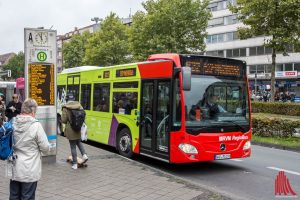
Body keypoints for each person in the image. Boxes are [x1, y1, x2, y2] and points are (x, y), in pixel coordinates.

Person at [10, 98, 50, 200]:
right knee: (27, 197)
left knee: (14, 196)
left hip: (14, 167)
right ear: (32, 111)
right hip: (29, 170)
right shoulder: (36, 125)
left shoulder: (12, 122)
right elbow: (45, 148)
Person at [62, 93, 88, 170]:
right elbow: (83, 117)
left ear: (67, 99)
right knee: (79, 142)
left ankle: (75, 164)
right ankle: (84, 155)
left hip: (71, 129)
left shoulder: (66, 108)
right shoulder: (79, 106)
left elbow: (64, 120)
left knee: (73, 146)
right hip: (78, 128)